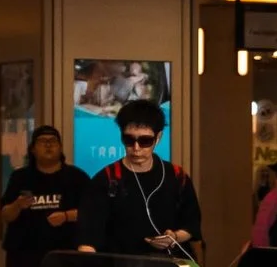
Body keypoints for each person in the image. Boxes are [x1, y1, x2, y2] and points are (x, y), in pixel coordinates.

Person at [77, 100, 201, 258]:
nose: (136, 148)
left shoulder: (177, 176)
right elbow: (88, 236)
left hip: (170, 266)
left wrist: (174, 237)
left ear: (158, 137)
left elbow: (192, 224)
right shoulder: (106, 179)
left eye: (145, 141)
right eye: (129, 140)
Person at [1, 125, 89, 267]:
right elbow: (6, 215)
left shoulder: (77, 177)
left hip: (66, 262)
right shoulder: (20, 178)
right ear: (33, 149)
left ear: (60, 148)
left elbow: (91, 213)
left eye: (53, 141)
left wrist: (66, 216)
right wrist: (18, 205)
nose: (48, 145)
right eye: (42, 141)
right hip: (24, 263)